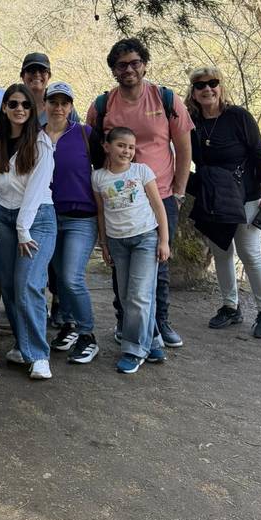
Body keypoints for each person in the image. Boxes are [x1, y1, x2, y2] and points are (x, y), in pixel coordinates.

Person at [86, 38, 193, 348]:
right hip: (119, 196)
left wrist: (179, 192)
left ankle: (160, 324)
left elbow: (184, 148)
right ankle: (125, 323)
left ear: (144, 64)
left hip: (160, 194)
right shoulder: (103, 105)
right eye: (122, 65)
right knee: (121, 266)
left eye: (134, 62)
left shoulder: (165, 99)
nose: (129, 69)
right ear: (114, 70)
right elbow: (93, 146)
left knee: (159, 262)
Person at [186, 66, 261, 338]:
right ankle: (230, 306)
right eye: (200, 85)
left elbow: (259, 152)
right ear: (193, 92)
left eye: (212, 83)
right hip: (214, 198)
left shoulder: (238, 117)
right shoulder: (192, 123)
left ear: (221, 86)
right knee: (221, 253)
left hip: (246, 196)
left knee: (250, 252)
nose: (207, 89)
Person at [0, 83, 57, 378]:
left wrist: (23, 229)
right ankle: (23, 343)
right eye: (13, 104)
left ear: (33, 110)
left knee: (28, 283)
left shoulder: (41, 144)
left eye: (25, 105)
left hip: (36, 219)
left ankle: (39, 355)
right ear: (4, 108)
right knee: (9, 286)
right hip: (3, 218)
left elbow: (35, 190)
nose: (19, 109)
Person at [92, 127, 169, 374]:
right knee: (127, 297)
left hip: (145, 238)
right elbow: (101, 213)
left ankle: (134, 350)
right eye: (121, 145)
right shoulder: (98, 177)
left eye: (131, 147)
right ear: (107, 146)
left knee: (140, 296)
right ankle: (154, 340)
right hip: (118, 243)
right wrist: (103, 244)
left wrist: (164, 241)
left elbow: (159, 207)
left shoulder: (141, 171)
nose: (127, 151)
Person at [43, 82, 99, 363]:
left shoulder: (85, 134)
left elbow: (105, 173)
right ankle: (69, 325)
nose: (59, 107)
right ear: (45, 104)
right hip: (48, 217)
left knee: (71, 277)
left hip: (81, 217)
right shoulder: (36, 136)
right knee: (57, 278)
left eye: (65, 102)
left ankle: (88, 335)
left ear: (71, 106)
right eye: (54, 101)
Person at [20, 53, 52, 125]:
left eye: (42, 70)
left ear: (49, 76)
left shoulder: (61, 105)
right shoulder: (13, 106)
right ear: (22, 76)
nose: (37, 74)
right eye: (31, 70)